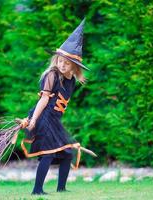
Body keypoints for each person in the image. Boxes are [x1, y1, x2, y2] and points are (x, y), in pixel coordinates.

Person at [23, 18, 90, 195]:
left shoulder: (71, 80)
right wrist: (33, 120)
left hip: (55, 121)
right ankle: (37, 191)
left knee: (67, 153)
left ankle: (61, 189)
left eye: (67, 63)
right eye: (60, 60)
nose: (62, 64)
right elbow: (43, 100)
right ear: (56, 59)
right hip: (44, 119)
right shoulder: (51, 75)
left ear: (74, 67)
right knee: (48, 153)